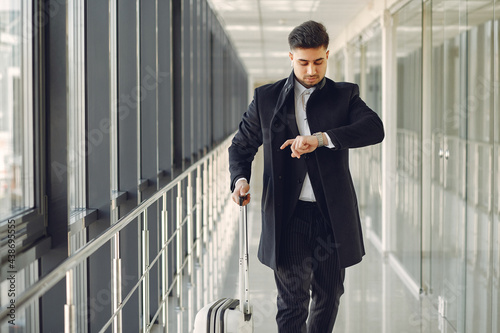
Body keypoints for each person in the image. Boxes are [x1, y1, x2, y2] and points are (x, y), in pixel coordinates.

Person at [228, 20, 384, 332]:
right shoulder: (266, 99)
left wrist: (322, 138)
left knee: (329, 295)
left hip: (331, 215)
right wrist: (240, 179)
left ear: (327, 55)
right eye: (303, 62)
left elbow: (374, 129)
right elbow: (241, 147)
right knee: (292, 300)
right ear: (290, 58)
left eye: (318, 61)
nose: (311, 70)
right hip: (289, 215)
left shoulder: (344, 96)